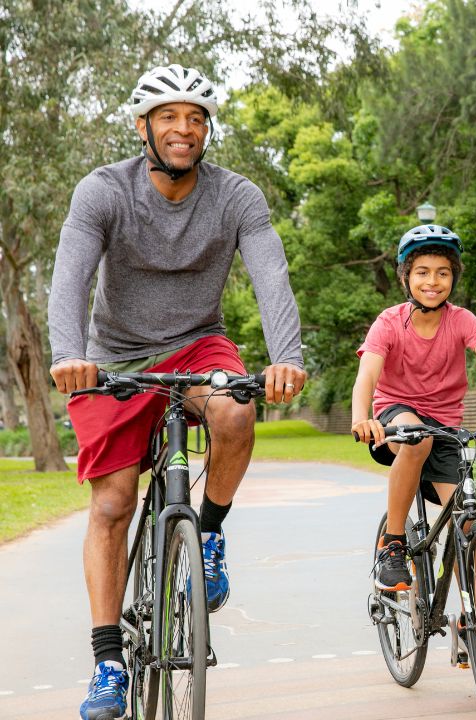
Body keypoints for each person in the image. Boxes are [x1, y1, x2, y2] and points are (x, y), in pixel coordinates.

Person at [48, 64, 307, 720]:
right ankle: (109, 661)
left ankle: (210, 535)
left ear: (206, 129)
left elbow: (271, 275)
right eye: (168, 116)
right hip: (111, 359)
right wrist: (68, 356)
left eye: (195, 117)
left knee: (236, 408)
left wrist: (287, 359)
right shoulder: (102, 191)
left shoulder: (236, 196)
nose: (183, 128)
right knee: (112, 505)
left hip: (199, 345)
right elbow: (70, 276)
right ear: (144, 126)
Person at [351, 223, 476, 669]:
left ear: (453, 279)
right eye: (422, 271)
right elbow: (368, 373)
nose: (432, 281)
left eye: (443, 272)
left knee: (468, 526)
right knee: (417, 438)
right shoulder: (389, 322)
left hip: (446, 427)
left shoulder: (462, 320)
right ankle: (394, 542)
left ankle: (468, 627)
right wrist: (361, 417)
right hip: (396, 418)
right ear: (406, 277)